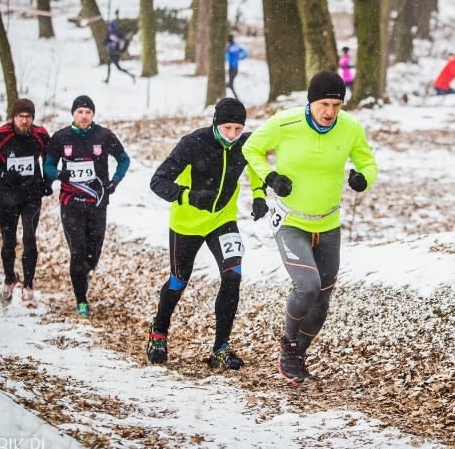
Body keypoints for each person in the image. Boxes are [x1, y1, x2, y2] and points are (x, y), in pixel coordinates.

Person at [242, 70, 378, 384]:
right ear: (311, 101)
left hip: (329, 223)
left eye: (336, 104)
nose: (330, 112)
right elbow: (250, 149)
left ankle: (298, 355)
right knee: (308, 285)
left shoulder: (351, 128)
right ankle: (288, 344)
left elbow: (368, 163)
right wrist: (271, 177)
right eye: (324, 104)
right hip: (291, 221)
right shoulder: (284, 122)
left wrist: (363, 178)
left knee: (323, 299)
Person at [146, 98, 267, 369]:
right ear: (215, 123)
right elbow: (158, 181)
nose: (232, 135)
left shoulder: (245, 143)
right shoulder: (193, 143)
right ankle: (158, 332)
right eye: (227, 128)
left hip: (222, 221)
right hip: (186, 224)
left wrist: (259, 195)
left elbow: (256, 164)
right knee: (178, 282)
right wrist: (188, 196)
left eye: (238, 129)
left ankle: (220, 348)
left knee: (233, 276)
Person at [44, 95, 130, 318]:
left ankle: (86, 272)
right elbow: (48, 164)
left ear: (93, 114)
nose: (84, 116)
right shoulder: (61, 137)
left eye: (88, 112)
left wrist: (115, 181)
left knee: (93, 253)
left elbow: (124, 159)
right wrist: (57, 175)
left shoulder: (103, 135)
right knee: (77, 250)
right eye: (80, 112)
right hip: (70, 203)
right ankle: (81, 299)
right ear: (73, 114)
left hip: (98, 202)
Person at [0, 98, 53, 308]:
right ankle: (9, 278)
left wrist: (47, 182)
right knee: (9, 241)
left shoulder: (40, 135)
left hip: (31, 195)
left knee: (30, 239)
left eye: (28, 117)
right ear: (13, 117)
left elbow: (51, 160)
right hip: (7, 197)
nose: (24, 121)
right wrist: (1, 173)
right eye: (21, 116)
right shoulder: (0, 135)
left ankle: (28, 286)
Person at [225, 35, 248, 99]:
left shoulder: (229, 48)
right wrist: (240, 58)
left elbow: (226, 57)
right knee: (230, 84)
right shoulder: (237, 46)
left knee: (230, 84)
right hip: (236, 68)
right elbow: (246, 53)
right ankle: (235, 98)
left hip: (231, 68)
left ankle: (236, 98)